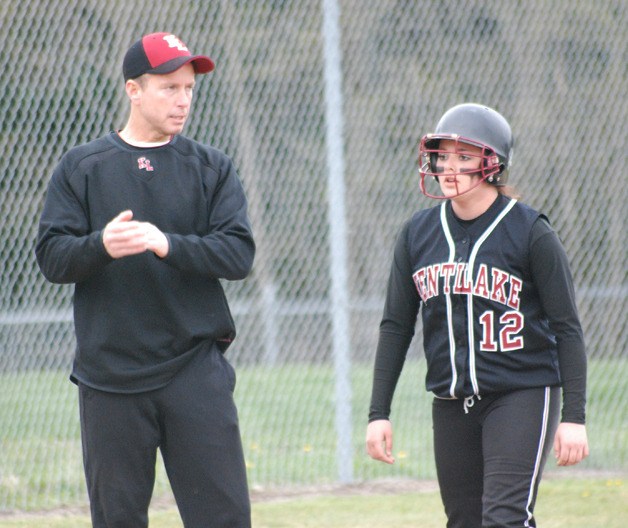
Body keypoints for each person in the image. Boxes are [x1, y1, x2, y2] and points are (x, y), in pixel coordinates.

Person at [35, 32, 255, 527]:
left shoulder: (211, 168)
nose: (183, 100)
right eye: (169, 88)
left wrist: (169, 244)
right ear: (134, 90)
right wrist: (100, 246)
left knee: (223, 518)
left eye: (189, 89)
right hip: (110, 379)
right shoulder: (82, 167)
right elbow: (51, 257)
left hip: (194, 372)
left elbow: (238, 254)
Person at [365, 103, 589, 527]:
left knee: (504, 519)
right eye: (443, 155)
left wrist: (574, 417)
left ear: (493, 165)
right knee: (464, 521)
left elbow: (568, 329)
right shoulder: (418, 234)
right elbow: (395, 327)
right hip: (451, 403)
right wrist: (379, 412)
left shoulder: (530, 232)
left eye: (464, 156)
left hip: (522, 391)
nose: (449, 167)